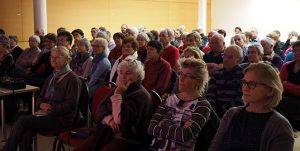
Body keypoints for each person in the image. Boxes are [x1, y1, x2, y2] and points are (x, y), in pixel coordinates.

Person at [1, 46, 82, 151]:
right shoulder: (52, 76)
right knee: (26, 132)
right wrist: (40, 105)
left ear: (67, 59)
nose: (53, 60)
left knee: (22, 120)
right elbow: (40, 97)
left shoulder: (73, 79)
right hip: (44, 113)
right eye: (52, 57)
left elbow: (70, 105)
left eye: (57, 57)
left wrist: (50, 109)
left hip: (61, 118)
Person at [209, 63, 294, 151]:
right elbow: (215, 147)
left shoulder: (280, 126)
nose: (245, 88)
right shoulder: (231, 113)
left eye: (252, 84)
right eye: (244, 82)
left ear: (270, 90)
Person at [74, 58, 153, 151]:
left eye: (128, 73)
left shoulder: (140, 95)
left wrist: (117, 95)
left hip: (128, 137)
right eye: (120, 73)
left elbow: (120, 121)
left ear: (138, 76)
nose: (123, 77)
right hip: (106, 131)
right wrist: (109, 120)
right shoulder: (118, 88)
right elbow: (100, 109)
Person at [148, 57, 211, 151]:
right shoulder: (168, 99)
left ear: (199, 81)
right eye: (181, 74)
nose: (181, 78)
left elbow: (184, 136)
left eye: (187, 75)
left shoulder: (202, 105)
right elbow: (151, 128)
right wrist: (179, 128)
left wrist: (164, 123)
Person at [206, 45, 244, 117]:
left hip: (233, 114)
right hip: (214, 113)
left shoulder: (243, 75)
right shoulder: (217, 74)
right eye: (225, 56)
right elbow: (210, 95)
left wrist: (221, 111)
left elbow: (240, 100)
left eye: (230, 57)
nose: (226, 59)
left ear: (239, 60)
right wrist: (213, 112)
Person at [276, 40, 300, 133]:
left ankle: (288, 129)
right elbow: (279, 84)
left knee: (279, 103)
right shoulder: (287, 65)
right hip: (285, 97)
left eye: (299, 50)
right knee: (274, 100)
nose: (297, 53)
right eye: (295, 51)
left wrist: (287, 84)